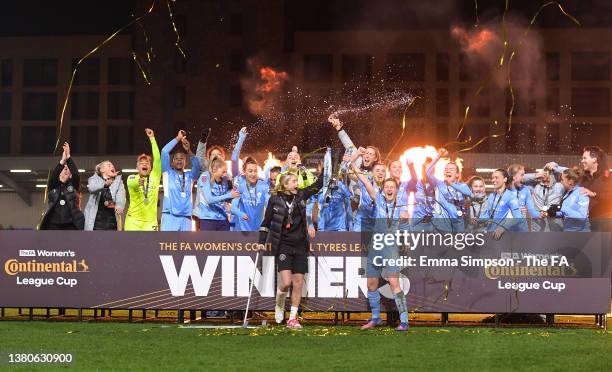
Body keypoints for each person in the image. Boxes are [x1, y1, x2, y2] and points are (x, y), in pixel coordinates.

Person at [258, 170, 323, 329]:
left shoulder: (301, 196)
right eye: (293, 181)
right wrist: (261, 241)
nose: (297, 183)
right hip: (283, 245)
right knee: (286, 282)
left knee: (298, 282)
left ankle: (293, 318)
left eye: (297, 181)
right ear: (285, 185)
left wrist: (328, 169)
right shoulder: (274, 200)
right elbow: (266, 222)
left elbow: (317, 185)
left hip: (300, 245)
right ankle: (279, 305)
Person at [353, 160, 410, 331]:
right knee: (371, 282)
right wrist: (355, 167)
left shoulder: (401, 206)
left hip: (390, 248)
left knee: (393, 281)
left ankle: (404, 321)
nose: (390, 189)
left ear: (396, 190)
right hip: (375, 246)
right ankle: (375, 318)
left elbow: (406, 227)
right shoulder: (377, 199)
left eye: (392, 187)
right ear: (383, 190)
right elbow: (363, 180)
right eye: (387, 187)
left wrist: (405, 237)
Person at [547, 146, 611, 231]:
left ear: (594, 159)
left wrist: (594, 194)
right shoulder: (582, 177)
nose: (582, 161)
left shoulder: (607, 178)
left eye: (585, 158)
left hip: (603, 225)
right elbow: (569, 172)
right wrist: (555, 167)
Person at [229, 128, 272, 231]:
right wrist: (241, 138)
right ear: (244, 170)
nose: (253, 174)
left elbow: (270, 202)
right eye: (250, 170)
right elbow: (234, 158)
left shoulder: (263, 185)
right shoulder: (239, 181)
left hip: (258, 229)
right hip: (241, 229)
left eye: (255, 170)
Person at [160, 130, 202, 231]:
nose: (179, 160)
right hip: (169, 216)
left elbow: (197, 167)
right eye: (176, 158)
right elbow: (164, 151)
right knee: (167, 246)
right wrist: (178, 138)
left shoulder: (190, 176)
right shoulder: (167, 173)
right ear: (172, 162)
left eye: (182, 158)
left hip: (186, 218)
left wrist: (189, 151)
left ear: (185, 162)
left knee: (184, 247)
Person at [40, 142, 85, 230]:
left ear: (70, 175)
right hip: (53, 224)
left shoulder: (74, 186)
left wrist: (68, 157)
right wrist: (62, 161)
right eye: (63, 168)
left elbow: (76, 174)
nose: (65, 169)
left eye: (68, 169)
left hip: (71, 224)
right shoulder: (53, 185)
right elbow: (53, 176)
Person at [306, 148, 353, 232]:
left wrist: (351, 228)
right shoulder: (318, 187)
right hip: (323, 229)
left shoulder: (341, 186)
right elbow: (309, 206)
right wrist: (310, 225)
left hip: (340, 229)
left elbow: (348, 208)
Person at [426, 148, 471, 232]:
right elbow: (427, 172)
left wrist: (451, 184)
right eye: (446, 169)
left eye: (451, 169)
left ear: (457, 174)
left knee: (458, 245)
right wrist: (439, 156)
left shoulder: (462, 186)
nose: (448, 171)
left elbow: (469, 193)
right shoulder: (438, 184)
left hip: (458, 225)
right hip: (441, 226)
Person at [125, 128, 161, 231]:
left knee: (150, 246)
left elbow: (157, 159)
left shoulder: (155, 176)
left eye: (147, 163)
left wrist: (152, 138)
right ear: (137, 168)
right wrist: (138, 182)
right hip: (133, 221)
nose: (144, 164)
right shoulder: (131, 178)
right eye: (141, 163)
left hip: (151, 222)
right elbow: (132, 184)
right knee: (131, 247)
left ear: (151, 167)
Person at [350, 149, 387, 232]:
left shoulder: (388, 188)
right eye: (377, 171)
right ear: (372, 173)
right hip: (361, 223)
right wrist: (353, 159)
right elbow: (354, 172)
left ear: (386, 174)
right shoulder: (366, 180)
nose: (380, 173)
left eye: (383, 171)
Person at [84, 160, 126, 231]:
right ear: (102, 170)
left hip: (112, 220)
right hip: (96, 221)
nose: (112, 166)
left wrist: (120, 206)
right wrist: (104, 184)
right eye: (109, 165)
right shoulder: (93, 179)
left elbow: (121, 195)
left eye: (113, 166)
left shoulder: (118, 181)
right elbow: (92, 188)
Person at [482, 169, 523, 240]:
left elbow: (518, 217)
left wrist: (503, 227)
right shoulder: (491, 196)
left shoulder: (511, 196)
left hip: (502, 237)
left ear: (505, 179)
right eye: (492, 178)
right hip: (489, 235)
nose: (493, 180)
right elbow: (487, 214)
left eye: (496, 177)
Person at [554, 168, 590, 232]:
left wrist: (562, 208)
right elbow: (566, 213)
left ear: (570, 181)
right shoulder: (567, 193)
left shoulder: (582, 193)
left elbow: (582, 217)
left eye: (562, 180)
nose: (561, 182)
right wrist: (554, 213)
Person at [507, 164, 539, 232]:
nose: (523, 177)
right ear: (513, 177)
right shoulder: (504, 190)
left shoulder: (525, 189)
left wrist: (540, 214)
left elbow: (531, 209)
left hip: (522, 228)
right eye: (521, 175)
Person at [412, 157, 436, 232]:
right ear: (422, 170)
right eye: (426, 169)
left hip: (432, 224)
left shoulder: (437, 185)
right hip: (417, 224)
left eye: (430, 169)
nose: (427, 171)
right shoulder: (415, 183)